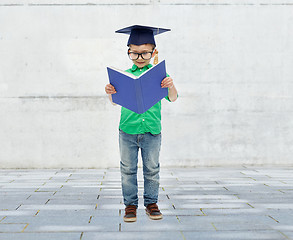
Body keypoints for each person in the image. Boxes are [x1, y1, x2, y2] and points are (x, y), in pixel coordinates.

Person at [105, 25, 178, 222]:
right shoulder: (123, 76)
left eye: (144, 53)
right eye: (134, 54)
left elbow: (173, 98)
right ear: (128, 52)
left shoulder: (159, 76)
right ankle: (130, 205)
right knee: (127, 169)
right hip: (127, 130)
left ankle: (151, 203)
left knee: (152, 168)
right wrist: (111, 92)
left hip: (152, 131)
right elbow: (114, 102)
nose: (139, 58)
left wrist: (171, 85)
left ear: (154, 53)